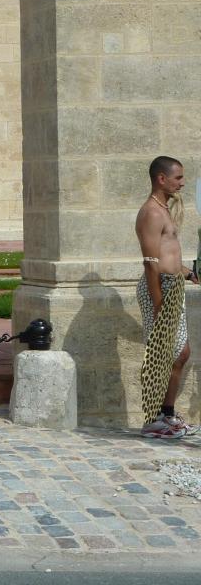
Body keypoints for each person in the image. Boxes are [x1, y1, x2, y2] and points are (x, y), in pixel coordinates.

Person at [135, 156, 199, 439]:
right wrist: (158, 302)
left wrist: (189, 273)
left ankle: (166, 415)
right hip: (159, 289)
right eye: (178, 178)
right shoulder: (151, 213)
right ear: (161, 179)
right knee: (167, 354)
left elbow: (167, 256)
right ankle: (155, 420)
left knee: (177, 353)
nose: (182, 183)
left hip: (173, 286)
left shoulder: (164, 210)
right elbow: (151, 262)